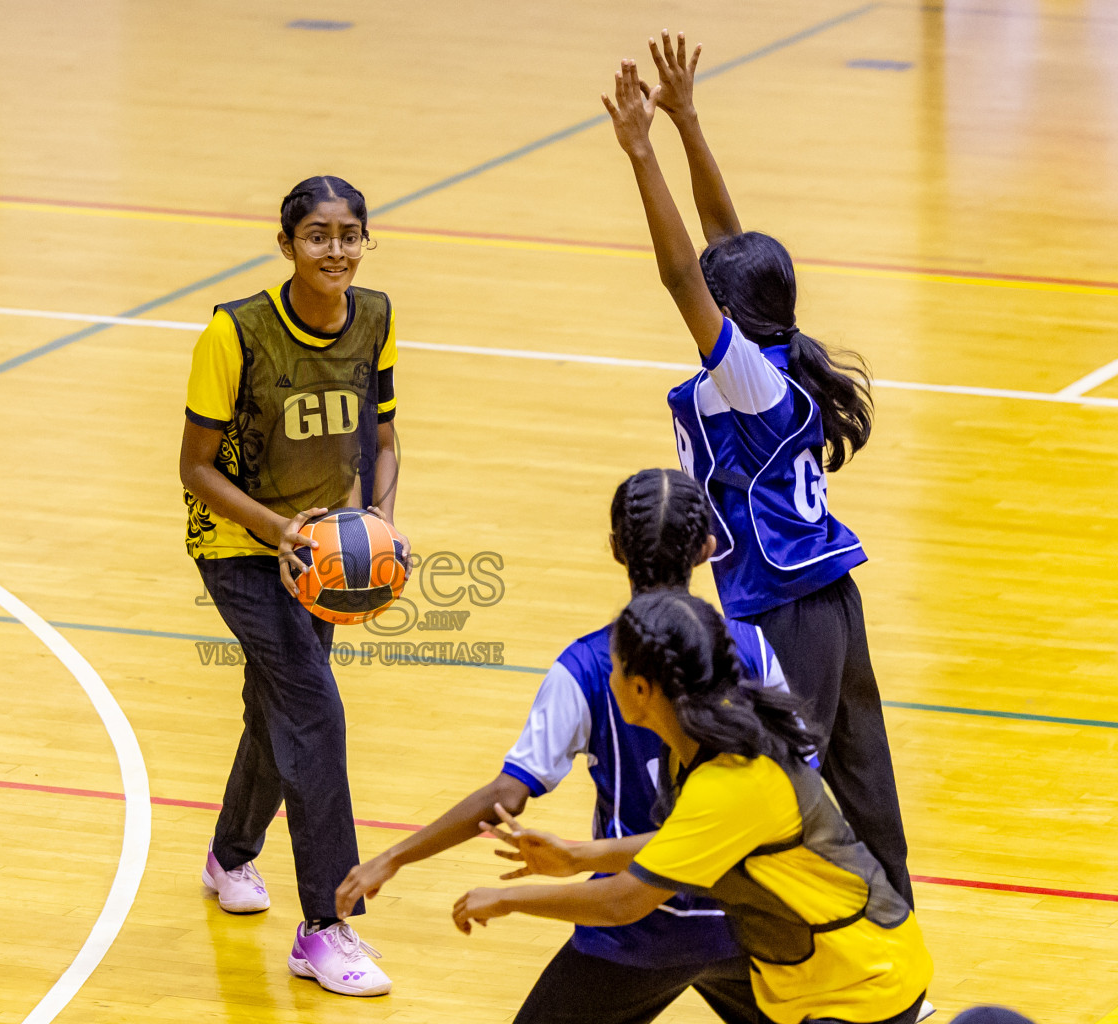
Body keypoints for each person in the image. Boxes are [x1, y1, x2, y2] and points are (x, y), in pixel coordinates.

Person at [604, 34, 913, 904]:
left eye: (714, 298)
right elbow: (727, 242)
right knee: (861, 774)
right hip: (829, 598)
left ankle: (793, 932)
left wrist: (642, 153)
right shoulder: (774, 348)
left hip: (783, 605)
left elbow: (681, 271)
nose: (703, 295)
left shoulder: (747, 383)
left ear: (730, 313)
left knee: (780, 782)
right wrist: (690, 121)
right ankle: (892, 931)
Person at [336, 468, 792, 1024]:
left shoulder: (591, 665)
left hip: (635, 930)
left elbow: (506, 794)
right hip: (746, 924)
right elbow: (795, 782)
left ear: (616, 549)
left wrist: (392, 857)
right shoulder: (754, 648)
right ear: (706, 549)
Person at [452, 591, 933, 1024]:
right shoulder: (706, 740)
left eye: (614, 666)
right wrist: (579, 857)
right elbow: (689, 840)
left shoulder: (732, 778)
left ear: (642, 689)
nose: (607, 673)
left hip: (863, 989)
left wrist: (507, 899)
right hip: (833, 979)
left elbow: (624, 903)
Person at [178, 174, 403, 997]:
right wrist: (286, 535)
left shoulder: (374, 317)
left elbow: (381, 437)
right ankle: (325, 925)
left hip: (324, 552)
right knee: (314, 708)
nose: (335, 250)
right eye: (317, 235)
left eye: (349, 234)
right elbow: (195, 468)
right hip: (240, 547)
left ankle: (229, 855)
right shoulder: (233, 334)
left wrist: (373, 520)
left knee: (276, 706)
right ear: (287, 246)